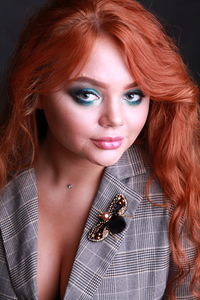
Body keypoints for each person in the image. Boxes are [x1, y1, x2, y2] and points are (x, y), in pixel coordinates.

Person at [0, 0, 199, 299]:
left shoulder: (175, 194)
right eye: (87, 94)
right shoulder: (7, 185)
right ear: (34, 90)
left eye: (134, 95)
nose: (115, 119)